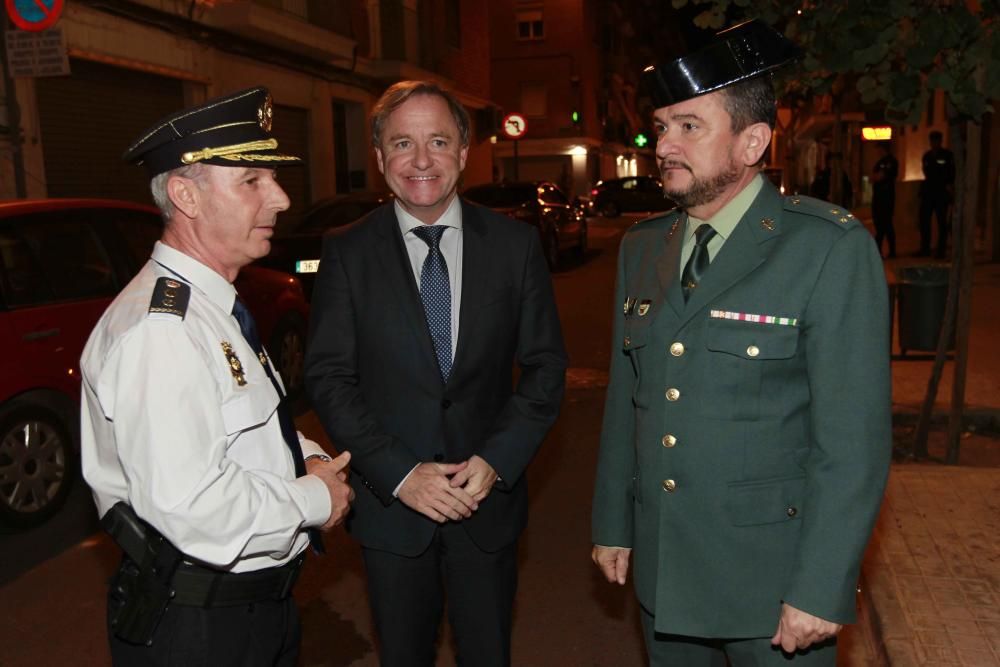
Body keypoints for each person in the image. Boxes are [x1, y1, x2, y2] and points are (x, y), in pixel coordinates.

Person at [591, 20, 891, 666]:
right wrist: (614, 523)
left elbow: (852, 445)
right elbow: (628, 401)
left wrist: (821, 585)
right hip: (667, 572)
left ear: (752, 141)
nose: (664, 143)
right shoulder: (643, 248)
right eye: (663, 125)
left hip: (774, 588)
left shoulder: (826, 248)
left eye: (689, 126)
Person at [81, 86, 354, 666]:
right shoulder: (164, 330)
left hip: (251, 612)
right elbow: (189, 502)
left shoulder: (211, 306)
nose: (279, 199)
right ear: (186, 196)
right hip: (200, 629)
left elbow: (248, 425)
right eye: (252, 180)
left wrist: (304, 456)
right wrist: (313, 497)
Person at [304, 80, 567, 666]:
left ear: (464, 153)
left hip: (485, 507)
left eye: (438, 141)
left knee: (487, 654)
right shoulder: (346, 251)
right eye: (402, 143)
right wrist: (399, 474)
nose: (421, 160)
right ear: (378, 159)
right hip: (394, 513)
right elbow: (327, 377)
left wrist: (497, 458)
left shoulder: (514, 245)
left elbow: (547, 367)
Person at [918, 130, 956, 257]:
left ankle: (941, 250)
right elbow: (926, 171)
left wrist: (949, 187)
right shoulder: (927, 156)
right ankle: (925, 249)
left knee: (942, 223)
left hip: (941, 193)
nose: (934, 143)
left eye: (936, 140)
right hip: (929, 192)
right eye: (932, 140)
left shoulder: (947, 155)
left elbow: (950, 172)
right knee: (925, 222)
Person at [871, 141, 899, 258]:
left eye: (879, 149)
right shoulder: (879, 162)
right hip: (878, 197)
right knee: (879, 225)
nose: (877, 152)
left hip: (886, 198)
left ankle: (891, 251)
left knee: (886, 225)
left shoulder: (891, 161)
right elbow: (874, 177)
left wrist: (878, 177)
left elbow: (880, 176)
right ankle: (879, 251)